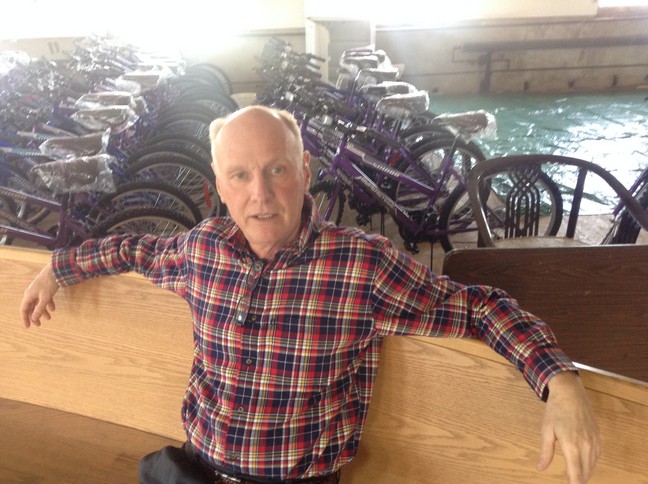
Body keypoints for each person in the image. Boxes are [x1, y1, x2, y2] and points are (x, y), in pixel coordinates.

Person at [21, 105, 600, 484]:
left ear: (305, 170)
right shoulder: (201, 249)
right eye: (241, 176)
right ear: (218, 188)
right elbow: (135, 250)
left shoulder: (360, 265)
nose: (261, 195)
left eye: (277, 170)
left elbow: (476, 307)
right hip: (198, 469)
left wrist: (560, 379)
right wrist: (58, 269)